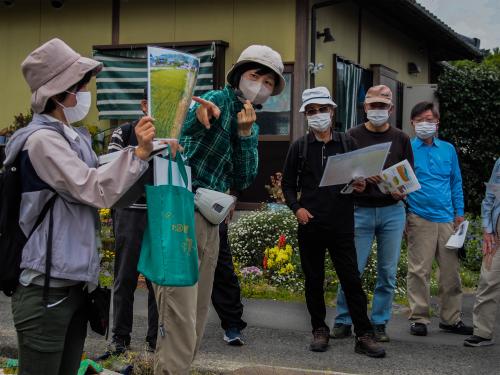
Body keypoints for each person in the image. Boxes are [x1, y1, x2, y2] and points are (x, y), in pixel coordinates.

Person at [6, 38, 178, 375]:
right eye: (80, 86)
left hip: (72, 288)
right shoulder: (42, 141)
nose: (84, 93)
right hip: (45, 290)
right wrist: (139, 154)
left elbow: (102, 173)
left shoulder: (70, 136)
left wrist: (152, 149)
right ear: (58, 93)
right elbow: (93, 187)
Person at [153, 45, 285, 374]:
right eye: (255, 76)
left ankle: (179, 369)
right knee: (177, 309)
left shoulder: (249, 120)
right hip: (181, 208)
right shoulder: (215, 99)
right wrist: (199, 121)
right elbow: (175, 136)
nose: (260, 85)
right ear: (239, 75)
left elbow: (244, 177)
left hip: (210, 217)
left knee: (195, 312)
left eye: (268, 82)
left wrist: (245, 135)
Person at [281, 87, 385, 357]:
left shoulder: (347, 143)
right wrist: (297, 209)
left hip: (342, 223)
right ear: (306, 115)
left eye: (322, 110)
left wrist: (360, 184)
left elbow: (358, 181)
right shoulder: (299, 147)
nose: (318, 115)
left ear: (332, 111)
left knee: (351, 279)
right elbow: (288, 185)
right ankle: (319, 329)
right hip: (310, 223)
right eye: (312, 111)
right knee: (314, 280)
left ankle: (363, 335)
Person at [333, 85, 413, 342]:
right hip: (359, 210)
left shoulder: (401, 138)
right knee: (351, 269)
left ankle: (379, 323)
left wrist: (402, 191)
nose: (378, 110)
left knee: (387, 273)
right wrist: (359, 179)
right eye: (373, 105)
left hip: (392, 211)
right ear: (365, 107)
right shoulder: (351, 135)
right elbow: (341, 174)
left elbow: (409, 177)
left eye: (383, 106)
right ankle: (344, 319)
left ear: (391, 109)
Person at [406, 101, 472, 336]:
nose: (425, 123)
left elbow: (455, 181)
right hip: (419, 217)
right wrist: (405, 214)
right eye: (420, 120)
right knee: (418, 271)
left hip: (447, 219)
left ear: (437, 123)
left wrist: (459, 213)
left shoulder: (448, 149)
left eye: (429, 119)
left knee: (450, 272)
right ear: (412, 123)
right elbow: (400, 182)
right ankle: (419, 319)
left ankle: (451, 319)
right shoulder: (407, 148)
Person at [103, 89, 158, 356]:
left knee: (157, 280)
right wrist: (140, 149)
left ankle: (155, 339)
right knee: (125, 276)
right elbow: (112, 169)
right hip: (128, 211)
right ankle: (120, 337)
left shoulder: (173, 136)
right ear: (144, 104)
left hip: (160, 213)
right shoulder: (124, 132)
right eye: (156, 101)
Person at [464, 158, 500, 346]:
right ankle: (483, 332)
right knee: (489, 278)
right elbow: (491, 195)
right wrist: (487, 228)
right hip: (497, 231)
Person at [211, 212, 248, 346]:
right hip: (182, 207)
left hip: (214, 210)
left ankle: (232, 324)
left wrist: (232, 199)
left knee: (224, 273)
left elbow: (238, 189)